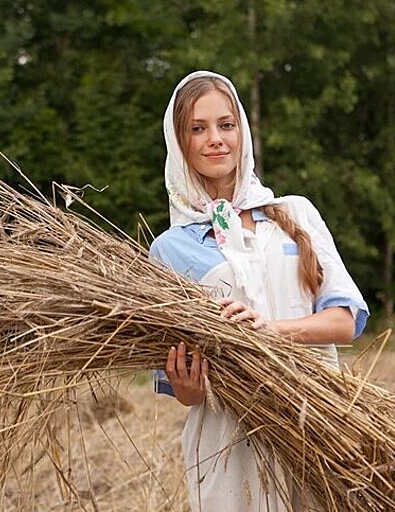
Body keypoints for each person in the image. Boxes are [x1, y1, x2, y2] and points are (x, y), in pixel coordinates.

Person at [149, 71, 369, 511]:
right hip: (228, 448)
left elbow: (344, 322)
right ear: (179, 142)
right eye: (198, 128)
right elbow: (182, 392)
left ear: (242, 132)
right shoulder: (169, 248)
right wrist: (188, 384)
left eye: (226, 125)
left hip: (318, 428)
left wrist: (270, 330)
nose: (215, 139)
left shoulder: (295, 214)